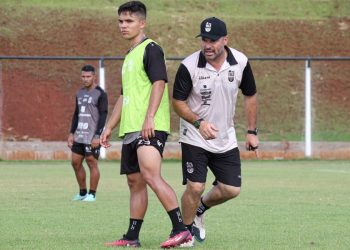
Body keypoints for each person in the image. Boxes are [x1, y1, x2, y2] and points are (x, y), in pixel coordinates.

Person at [101, 1, 191, 248]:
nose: (123, 26)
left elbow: (159, 82)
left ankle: (181, 229)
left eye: (129, 21)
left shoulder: (151, 49)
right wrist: (109, 126)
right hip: (131, 128)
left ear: (142, 23)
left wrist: (150, 117)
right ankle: (131, 237)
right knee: (135, 183)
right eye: (120, 21)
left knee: (151, 175)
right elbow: (123, 96)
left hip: (149, 126)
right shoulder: (129, 55)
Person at [172, 17, 259, 246]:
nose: (207, 45)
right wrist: (199, 122)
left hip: (225, 137)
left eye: (213, 40)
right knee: (196, 186)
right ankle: (186, 232)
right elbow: (178, 102)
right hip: (194, 135)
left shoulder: (240, 61)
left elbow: (250, 95)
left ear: (225, 40)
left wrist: (251, 131)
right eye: (204, 40)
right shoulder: (189, 65)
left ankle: (201, 209)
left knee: (231, 189)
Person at [67, 64, 108, 202]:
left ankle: (92, 194)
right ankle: (82, 192)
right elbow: (76, 114)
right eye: (83, 76)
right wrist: (71, 133)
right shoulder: (79, 93)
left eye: (88, 76)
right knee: (75, 162)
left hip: (92, 136)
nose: (85, 79)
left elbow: (103, 115)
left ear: (94, 77)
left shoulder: (100, 94)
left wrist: (98, 135)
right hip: (79, 135)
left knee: (91, 162)